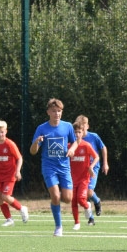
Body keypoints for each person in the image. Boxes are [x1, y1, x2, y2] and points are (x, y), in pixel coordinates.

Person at [30, 98, 77, 237]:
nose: (57, 113)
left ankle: (56, 204)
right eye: (54, 111)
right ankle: (58, 227)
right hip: (49, 167)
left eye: (59, 111)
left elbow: (75, 142)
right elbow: (32, 151)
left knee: (68, 199)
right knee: (55, 196)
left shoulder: (67, 126)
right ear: (48, 112)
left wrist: (72, 149)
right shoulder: (42, 128)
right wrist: (36, 142)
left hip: (64, 167)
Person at [69, 116, 100, 230]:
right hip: (72, 179)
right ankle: (77, 223)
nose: (77, 134)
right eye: (75, 132)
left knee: (81, 199)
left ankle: (87, 206)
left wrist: (91, 167)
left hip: (84, 179)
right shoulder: (69, 146)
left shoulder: (86, 145)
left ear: (83, 133)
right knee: (73, 201)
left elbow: (96, 157)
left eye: (79, 132)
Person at [80, 117, 109, 217]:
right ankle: (90, 217)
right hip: (81, 169)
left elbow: (103, 148)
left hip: (93, 167)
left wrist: (105, 163)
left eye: (84, 125)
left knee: (88, 191)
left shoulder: (94, 136)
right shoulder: (76, 138)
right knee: (81, 193)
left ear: (87, 126)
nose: (82, 127)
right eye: (80, 125)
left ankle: (97, 201)